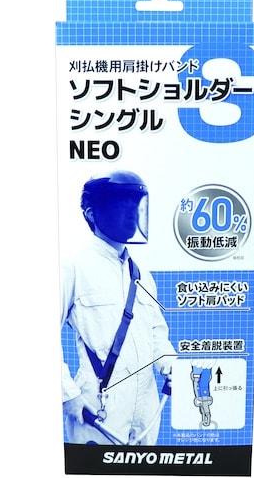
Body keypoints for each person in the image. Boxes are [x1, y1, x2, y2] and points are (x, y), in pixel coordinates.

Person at [60, 170, 176, 445]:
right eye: (121, 205)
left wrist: (170, 365)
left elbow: (156, 332)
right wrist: (68, 395)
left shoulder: (142, 274)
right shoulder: (73, 268)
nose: (131, 213)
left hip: (147, 404)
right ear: (92, 214)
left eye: (134, 205)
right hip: (98, 406)